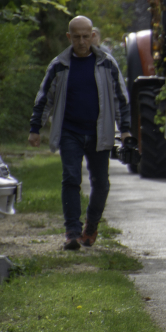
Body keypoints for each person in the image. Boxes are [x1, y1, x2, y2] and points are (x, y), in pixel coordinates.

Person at [28, 16, 131, 250]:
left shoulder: (107, 63)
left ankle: (91, 226)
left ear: (93, 35)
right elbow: (45, 98)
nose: (82, 42)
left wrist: (124, 130)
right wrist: (35, 128)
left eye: (86, 36)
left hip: (99, 133)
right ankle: (72, 232)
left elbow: (121, 99)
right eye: (77, 37)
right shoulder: (59, 65)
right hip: (69, 132)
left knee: (101, 183)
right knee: (71, 178)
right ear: (69, 37)